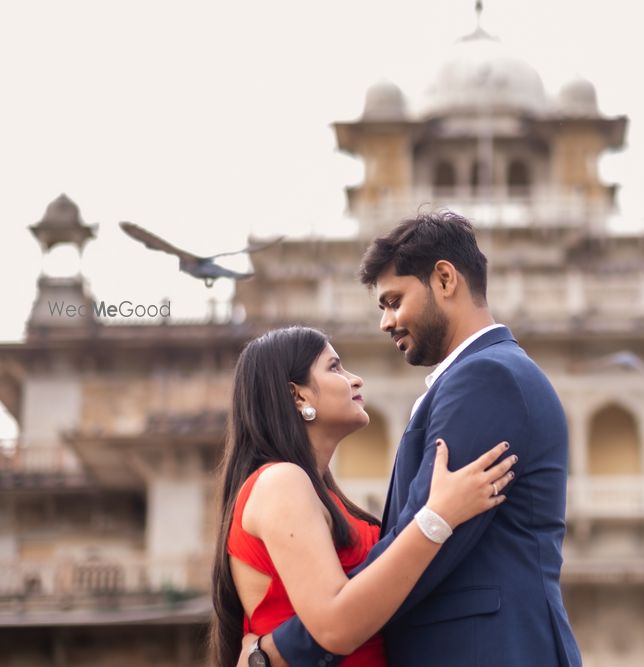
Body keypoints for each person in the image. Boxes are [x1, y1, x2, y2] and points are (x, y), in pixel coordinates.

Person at [243, 211, 582, 667]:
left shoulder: (486, 377)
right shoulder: (479, 376)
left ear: (444, 279)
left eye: (393, 300)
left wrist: (276, 653)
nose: (386, 322)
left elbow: (420, 546)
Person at [210, 325, 518, 667]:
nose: (355, 380)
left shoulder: (318, 491)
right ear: (298, 396)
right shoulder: (280, 481)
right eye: (334, 367)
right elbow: (334, 626)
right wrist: (438, 517)